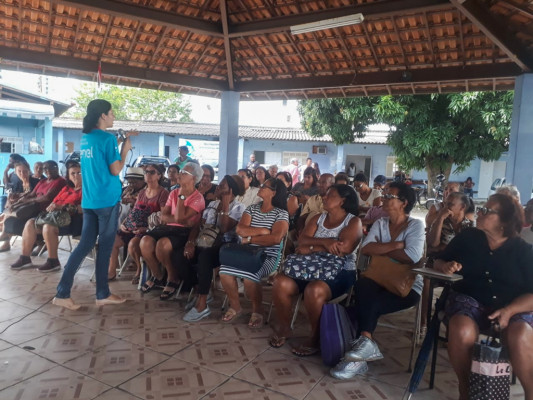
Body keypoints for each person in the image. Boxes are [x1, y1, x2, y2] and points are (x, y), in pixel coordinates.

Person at [434, 194, 533, 400]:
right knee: (460, 329)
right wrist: (445, 266)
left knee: (520, 335)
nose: (479, 213)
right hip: (470, 302)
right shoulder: (468, 237)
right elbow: (438, 260)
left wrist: (509, 311)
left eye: (487, 211)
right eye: (482, 209)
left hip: (512, 307)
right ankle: (466, 390)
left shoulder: (523, 251)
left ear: (504, 221)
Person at [331, 182, 425, 379]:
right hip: (377, 279)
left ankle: (358, 358)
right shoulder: (381, 223)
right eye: (385, 194)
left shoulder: (415, 225)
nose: (384, 198)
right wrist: (396, 245)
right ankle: (363, 351)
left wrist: (381, 249)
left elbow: (412, 256)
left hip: (406, 288)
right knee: (362, 285)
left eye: (390, 196)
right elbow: (366, 248)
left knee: (367, 304)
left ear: (404, 203)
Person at [53, 99, 138, 310]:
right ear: (102, 115)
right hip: (106, 200)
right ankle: (102, 293)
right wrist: (125, 149)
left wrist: (118, 141)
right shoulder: (107, 139)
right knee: (106, 247)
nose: (113, 116)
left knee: (84, 245)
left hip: (90, 200)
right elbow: (115, 170)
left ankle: (63, 292)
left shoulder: (86, 138)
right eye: (111, 113)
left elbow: (101, 155)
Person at [270, 184, 363, 356]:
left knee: (314, 290)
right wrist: (326, 243)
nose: (324, 197)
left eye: (330, 195)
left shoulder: (353, 222)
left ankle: (315, 337)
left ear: (343, 201)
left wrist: (312, 247)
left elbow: (344, 249)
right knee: (280, 282)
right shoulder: (318, 218)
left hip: (340, 271)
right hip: (309, 267)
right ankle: (284, 327)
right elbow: (302, 240)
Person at [219, 178, 289, 327]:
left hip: (268, 256)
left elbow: (275, 239)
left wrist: (250, 239)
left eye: (265, 186)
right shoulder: (252, 209)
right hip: (246, 252)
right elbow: (240, 230)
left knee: (250, 276)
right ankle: (235, 306)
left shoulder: (281, 214)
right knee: (224, 272)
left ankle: (258, 310)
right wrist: (264, 231)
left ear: (273, 193)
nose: (260, 187)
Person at [180, 175, 246, 322]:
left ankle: (202, 304)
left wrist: (225, 204)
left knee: (205, 257)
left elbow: (223, 228)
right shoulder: (212, 204)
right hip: (206, 242)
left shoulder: (239, 208)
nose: (217, 187)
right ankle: (202, 291)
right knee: (182, 254)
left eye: (222, 186)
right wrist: (190, 242)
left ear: (231, 191)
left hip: (226, 247)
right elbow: (198, 226)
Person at [140, 162, 205, 299]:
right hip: (168, 228)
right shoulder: (173, 192)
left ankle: (172, 277)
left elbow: (180, 218)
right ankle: (157, 275)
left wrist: (181, 197)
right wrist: (181, 219)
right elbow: (164, 216)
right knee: (145, 241)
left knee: (162, 244)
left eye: (184, 173)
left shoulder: (198, 198)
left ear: (193, 178)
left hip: (184, 232)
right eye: (180, 171)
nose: (179, 174)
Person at [10, 162, 83, 272]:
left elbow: (82, 209)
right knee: (30, 223)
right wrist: (53, 206)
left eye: (79, 173)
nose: (76, 176)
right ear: (68, 175)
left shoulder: (86, 190)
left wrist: (62, 207)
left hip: (71, 220)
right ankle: (25, 258)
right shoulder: (66, 188)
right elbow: (54, 202)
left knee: (48, 226)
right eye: (73, 173)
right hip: (54, 216)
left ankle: (53, 261)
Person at [107, 164, 169, 283]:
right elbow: (134, 211)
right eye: (146, 172)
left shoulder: (163, 193)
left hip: (151, 229)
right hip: (135, 226)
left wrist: (145, 228)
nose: (148, 174)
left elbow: (163, 218)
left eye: (152, 172)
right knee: (113, 240)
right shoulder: (142, 193)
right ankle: (111, 271)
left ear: (159, 176)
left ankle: (141, 270)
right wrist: (125, 223)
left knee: (133, 244)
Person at [0, 160, 66, 252]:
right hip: (34, 208)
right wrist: (17, 202)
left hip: (46, 210)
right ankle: (38, 243)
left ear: (57, 168)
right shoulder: (43, 181)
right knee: (11, 218)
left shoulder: (60, 181)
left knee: (20, 221)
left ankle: (37, 243)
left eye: (50, 167)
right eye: (45, 168)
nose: (47, 170)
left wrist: (27, 201)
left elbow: (47, 197)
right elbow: (31, 194)